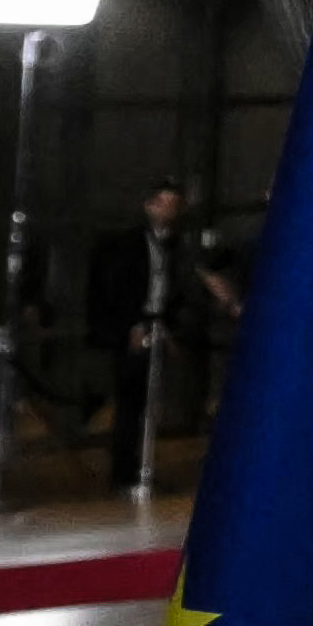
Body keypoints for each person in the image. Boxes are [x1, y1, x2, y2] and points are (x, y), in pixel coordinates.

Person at [86, 181, 237, 484]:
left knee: (149, 400)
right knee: (130, 400)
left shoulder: (177, 247)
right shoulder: (127, 246)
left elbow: (177, 289)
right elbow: (118, 290)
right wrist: (131, 326)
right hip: (132, 327)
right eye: (163, 203)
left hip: (159, 326)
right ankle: (124, 471)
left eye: (174, 205)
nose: (169, 210)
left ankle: (140, 467)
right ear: (149, 205)